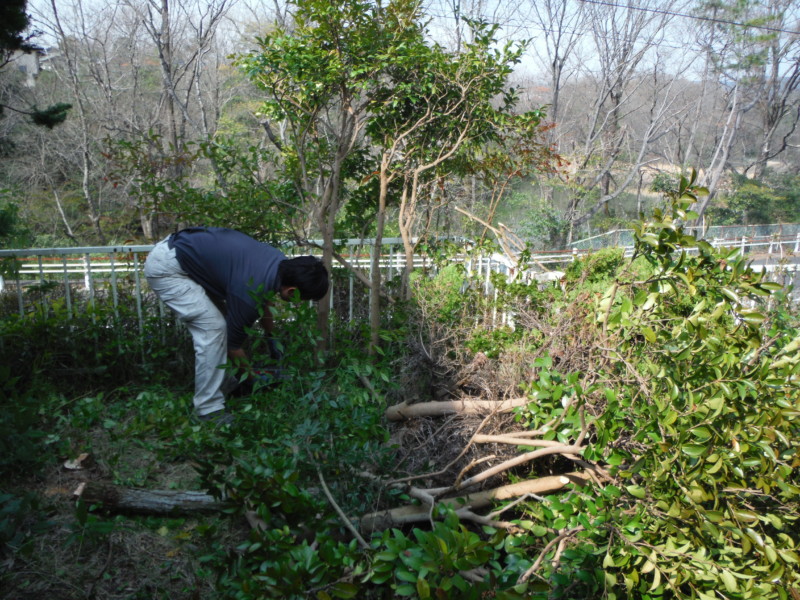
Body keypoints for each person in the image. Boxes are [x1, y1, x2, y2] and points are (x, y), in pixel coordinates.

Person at [144, 226, 329, 424]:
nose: (299, 303)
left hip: (183, 254)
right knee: (213, 328)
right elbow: (233, 345)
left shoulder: (278, 263)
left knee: (221, 323)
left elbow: (265, 301)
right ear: (291, 291)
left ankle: (227, 385)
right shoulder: (248, 293)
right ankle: (208, 409)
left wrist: (272, 338)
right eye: (301, 298)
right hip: (168, 269)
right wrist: (252, 379)